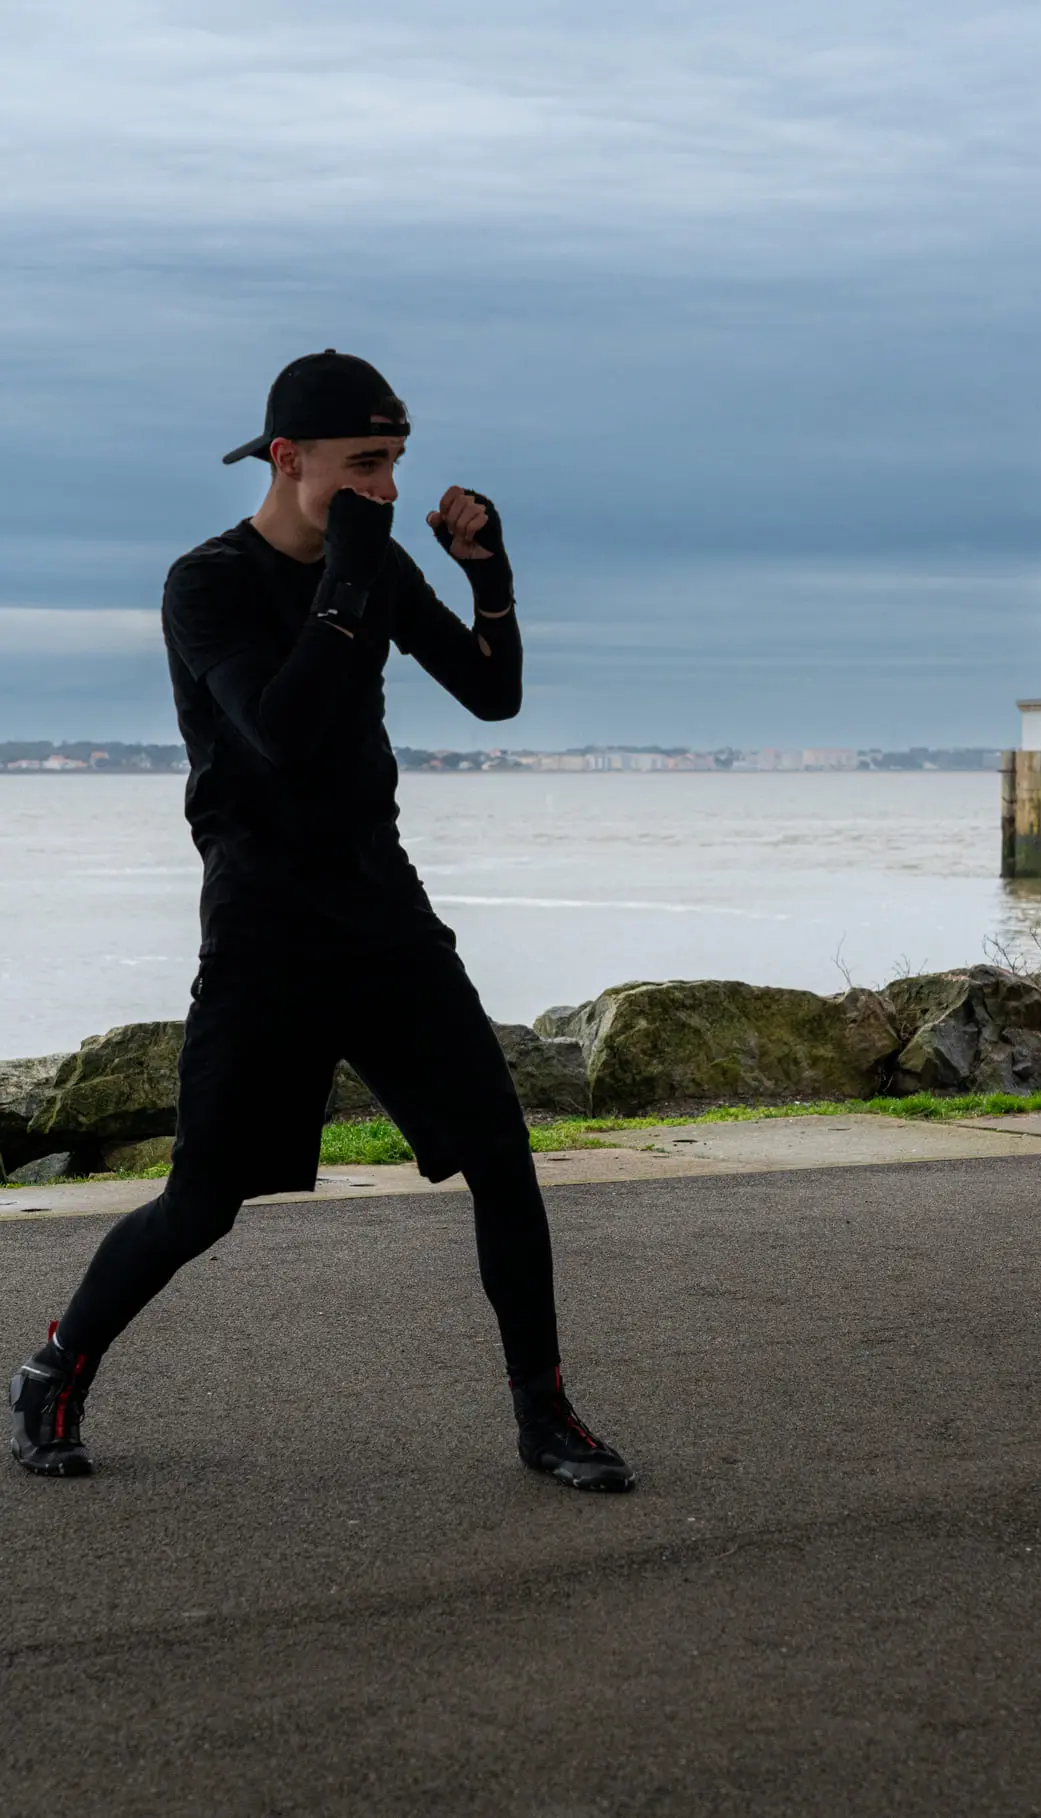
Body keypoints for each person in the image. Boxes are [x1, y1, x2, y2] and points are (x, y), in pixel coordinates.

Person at [9, 348, 636, 1493]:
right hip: (265, 932)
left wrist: (487, 572)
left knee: (504, 1161)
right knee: (204, 1203)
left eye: (395, 462)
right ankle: (55, 1366)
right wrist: (355, 573)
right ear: (288, 459)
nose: (387, 489)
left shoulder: (376, 561)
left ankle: (547, 1418)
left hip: (383, 914)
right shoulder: (206, 584)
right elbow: (284, 731)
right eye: (364, 464)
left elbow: (492, 693)